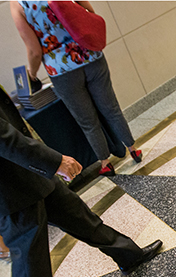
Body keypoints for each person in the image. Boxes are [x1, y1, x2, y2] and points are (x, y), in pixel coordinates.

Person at [0, 86, 162, 277]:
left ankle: (128, 255)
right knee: (29, 258)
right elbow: (4, 138)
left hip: (27, 173)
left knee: (78, 215)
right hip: (11, 186)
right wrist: (54, 161)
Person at [11, 0, 142, 176]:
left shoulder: (18, 4)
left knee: (87, 120)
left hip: (61, 70)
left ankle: (105, 163)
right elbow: (88, 11)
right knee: (111, 108)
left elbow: (34, 51)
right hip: (90, 55)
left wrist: (32, 74)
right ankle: (133, 149)